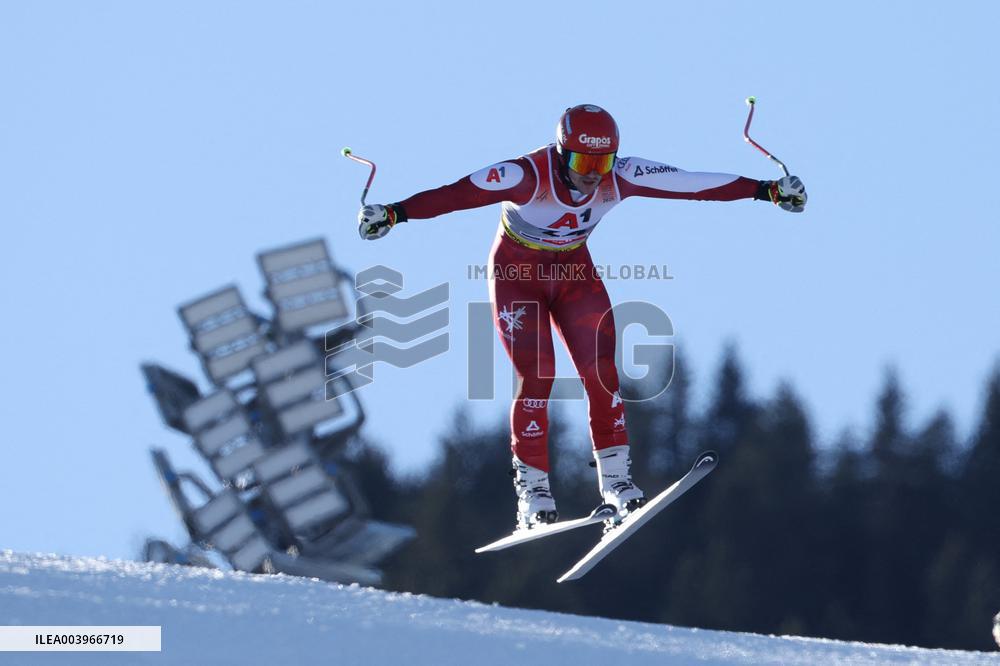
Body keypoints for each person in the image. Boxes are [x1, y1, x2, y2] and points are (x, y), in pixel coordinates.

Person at [357, 104, 807, 530]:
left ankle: (616, 481)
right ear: (559, 153)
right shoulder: (523, 175)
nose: (594, 177)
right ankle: (532, 496)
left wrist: (765, 191)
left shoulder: (621, 175)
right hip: (518, 277)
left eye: (602, 164)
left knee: (603, 372)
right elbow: (457, 195)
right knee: (538, 376)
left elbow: (692, 184)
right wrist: (395, 214)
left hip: (574, 274)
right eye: (583, 165)